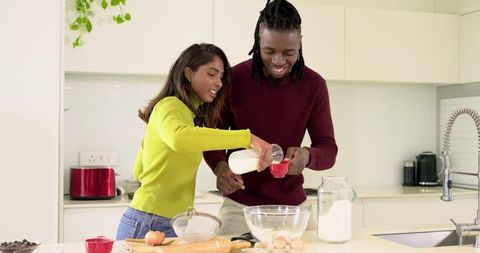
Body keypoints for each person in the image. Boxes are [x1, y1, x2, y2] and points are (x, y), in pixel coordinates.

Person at [203, 0, 338, 235]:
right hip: (239, 208)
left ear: (300, 43)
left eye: (288, 52)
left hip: (294, 211)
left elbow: (328, 150)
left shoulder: (314, 85)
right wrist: (220, 169)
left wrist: (306, 156)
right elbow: (212, 138)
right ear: (258, 41)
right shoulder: (234, 79)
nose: (278, 61)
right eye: (269, 51)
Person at [116, 43, 274, 240]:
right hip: (149, 221)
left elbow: (139, 171)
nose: (219, 82)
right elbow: (179, 138)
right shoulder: (170, 106)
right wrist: (247, 138)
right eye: (211, 74)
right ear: (188, 74)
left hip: (166, 220)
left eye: (221, 76)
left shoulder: (187, 116)